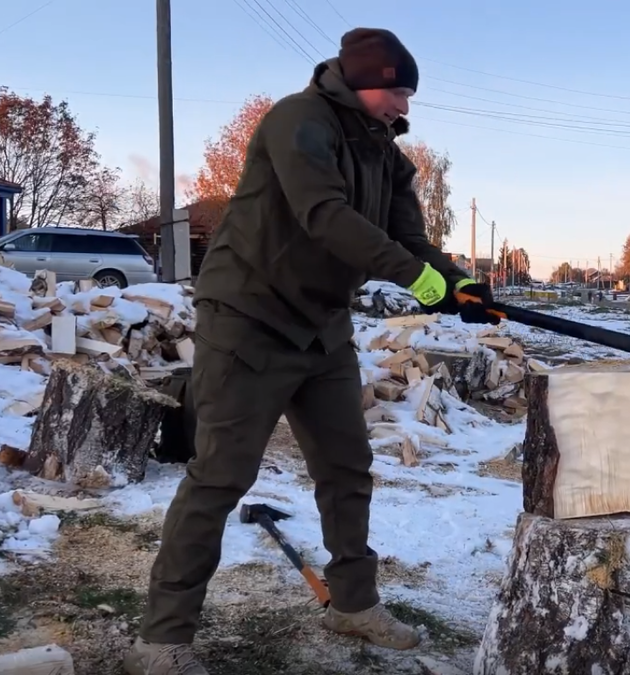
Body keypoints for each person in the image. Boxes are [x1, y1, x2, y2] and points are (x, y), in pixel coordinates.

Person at [124, 28, 496, 675]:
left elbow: (411, 237)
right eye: (396, 92)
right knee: (220, 475)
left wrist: (455, 280)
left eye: (408, 96)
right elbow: (323, 215)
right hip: (248, 318)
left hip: (322, 328)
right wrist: (414, 277)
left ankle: (352, 603)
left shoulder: (389, 159)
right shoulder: (298, 122)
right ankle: (161, 639)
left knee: (347, 466)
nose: (404, 108)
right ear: (360, 81)